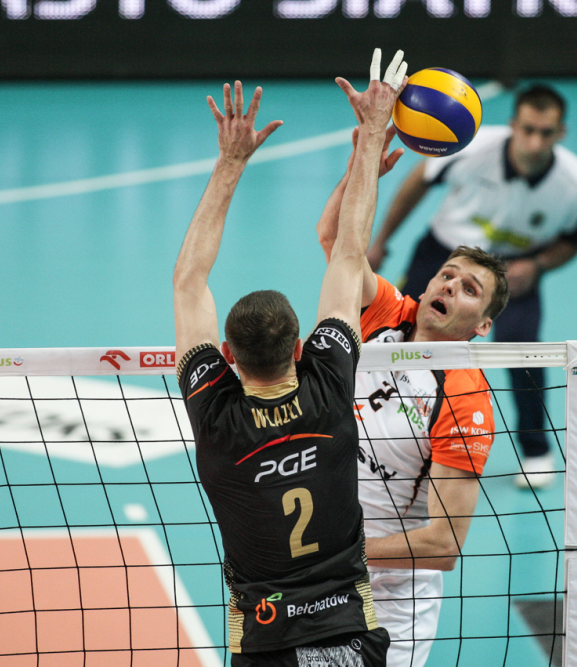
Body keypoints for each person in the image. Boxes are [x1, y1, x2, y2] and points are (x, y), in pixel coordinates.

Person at [174, 49, 408, 667]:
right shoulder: (329, 383)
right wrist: (372, 136)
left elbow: (189, 283)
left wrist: (230, 163)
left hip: (266, 643)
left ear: (227, 356)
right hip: (350, 633)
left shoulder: (216, 416)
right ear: (302, 349)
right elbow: (349, 254)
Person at [317, 146, 510, 667]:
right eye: (448, 274)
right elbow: (336, 243)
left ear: (482, 325)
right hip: (316, 578)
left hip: (389, 602)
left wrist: (342, 556)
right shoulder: (386, 313)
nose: (450, 285)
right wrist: (360, 169)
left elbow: (444, 545)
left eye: (469, 289)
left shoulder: (463, 396)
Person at [366, 84, 577, 489]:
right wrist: (381, 241)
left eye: (546, 133)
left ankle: (536, 451)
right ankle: (380, 425)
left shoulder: (576, 185)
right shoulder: (470, 147)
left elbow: (573, 242)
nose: (535, 142)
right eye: (528, 130)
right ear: (513, 125)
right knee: (402, 332)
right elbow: (417, 182)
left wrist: (537, 266)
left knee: (524, 349)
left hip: (514, 269)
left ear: (561, 133)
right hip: (445, 255)